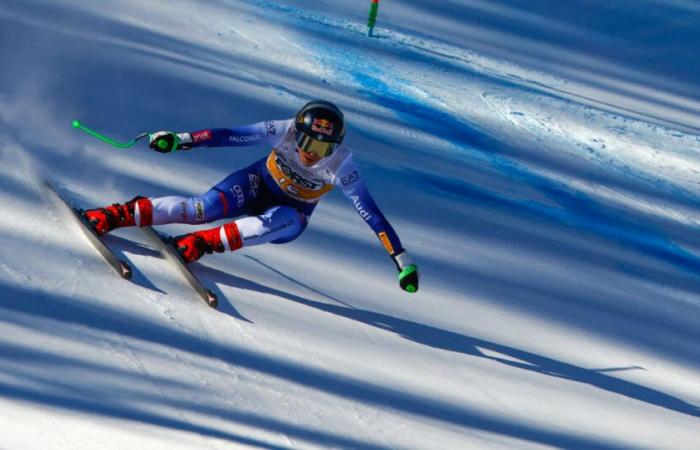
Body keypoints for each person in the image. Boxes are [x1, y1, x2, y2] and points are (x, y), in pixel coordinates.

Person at [84, 100, 419, 293]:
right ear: (297, 133)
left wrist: (402, 262)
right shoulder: (283, 129)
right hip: (258, 182)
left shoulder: (342, 165)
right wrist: (181, 139)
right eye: (307, 143)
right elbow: (231, 136)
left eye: (323, 148)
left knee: (282, 220)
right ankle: (118, 215)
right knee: (203, 208)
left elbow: (372, 215)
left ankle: (202, 243)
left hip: (292, 213)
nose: (313, 154)